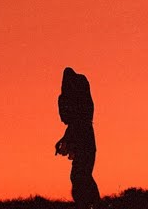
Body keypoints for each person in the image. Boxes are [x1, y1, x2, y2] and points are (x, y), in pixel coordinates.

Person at [55, 67, 100, 208]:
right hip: (86, 142)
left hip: (85, 144)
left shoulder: (79, 121)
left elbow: (74, 126)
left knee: (80, 175)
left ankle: (91, 204)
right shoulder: (80, 121)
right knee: (82, 175)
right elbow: (73, 126)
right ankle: (91, 203)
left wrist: (65, 140)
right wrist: (63, 140)